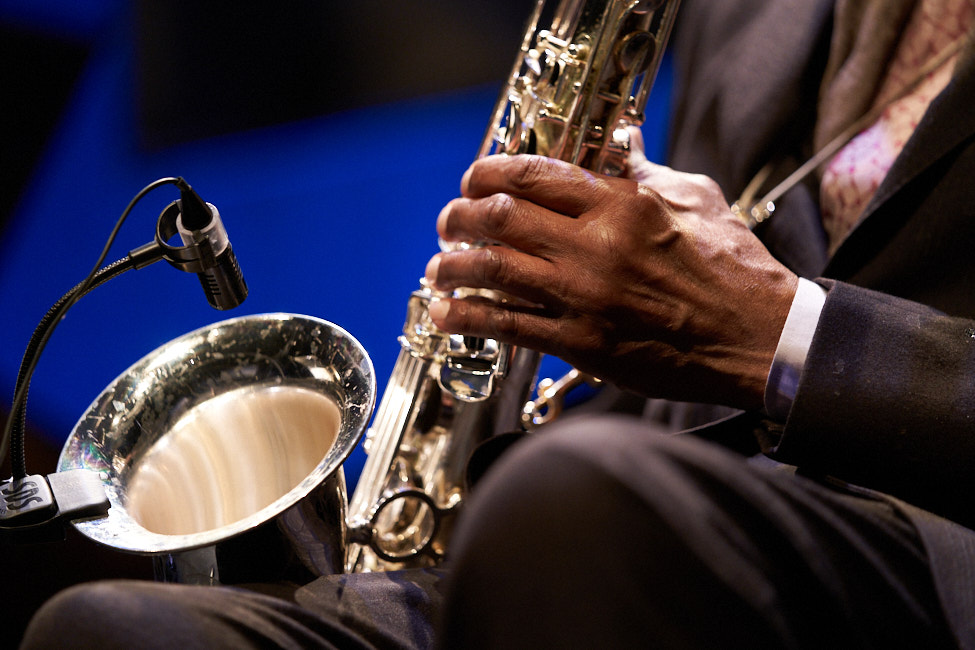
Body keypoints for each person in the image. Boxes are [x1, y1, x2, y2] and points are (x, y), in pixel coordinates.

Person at [20, 0, 975, 647]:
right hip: (650, 512)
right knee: (111, 627)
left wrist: (782, 334)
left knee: (567, 507)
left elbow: (735, 327)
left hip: (933, 564)